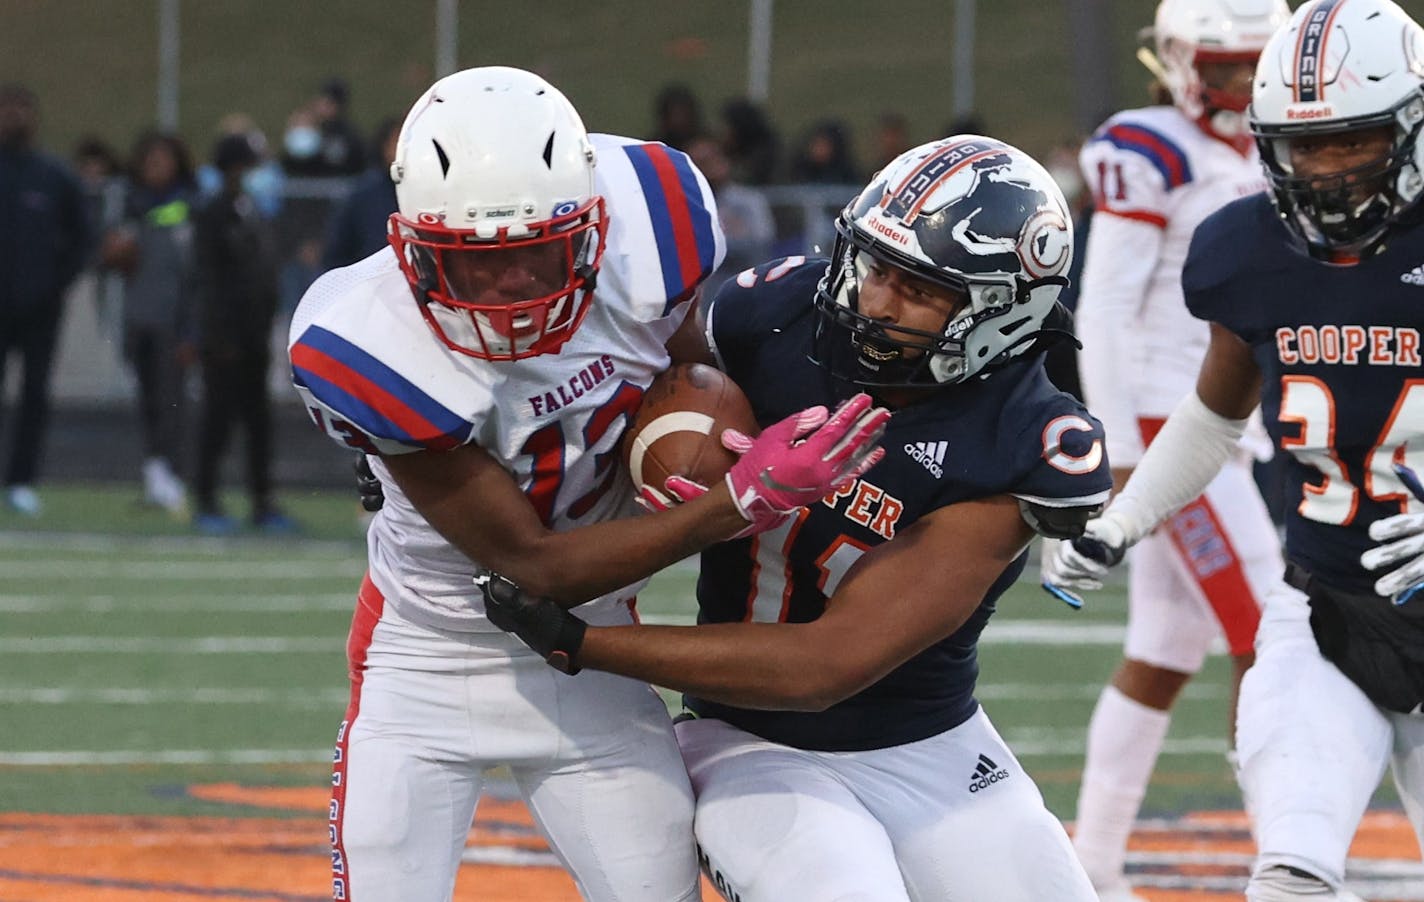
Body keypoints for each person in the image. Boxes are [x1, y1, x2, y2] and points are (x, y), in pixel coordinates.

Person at [286, 66, 886, 902]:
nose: (510, 289)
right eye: (473, 266)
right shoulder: (372, 345)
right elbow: (535, 565)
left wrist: (705, 443)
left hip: (591, 657)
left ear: (595, 225)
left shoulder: (656, 226)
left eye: (539, 255)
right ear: (413, 249)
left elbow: (692, 377)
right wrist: (735, 500)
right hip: (426, 656)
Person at [477, 135, 1114, 901]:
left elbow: (827, 667)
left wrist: (586, 643)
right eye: (875, 265)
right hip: (748, 739)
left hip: (935, 746)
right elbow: (602, 384)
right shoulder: (774, 318)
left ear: (1003, 310)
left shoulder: (1022, 438)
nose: (874, 300)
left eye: (919, 288)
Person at [1046, 1, 1424, 898]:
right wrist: (1125, 514)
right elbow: (1214, 415)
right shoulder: (1250, 250)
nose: (1327, 172)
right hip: (1327, 611)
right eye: (1307, 147)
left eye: (1354, 143)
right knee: (1289, 873)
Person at [1064, 1, 1290, 897]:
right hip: (1170, 428)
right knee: (1271, 639)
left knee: (1163, 650)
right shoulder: (1148, 147)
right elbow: (1106, 308)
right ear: (1178, 61)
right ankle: (1285, 854)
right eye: (1226, 65)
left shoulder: (1268, 151)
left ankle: (1091, 866)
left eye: (1255, 64)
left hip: (1225, 428)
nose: (1240, 85)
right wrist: (1120, 448)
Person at [191, 131, 291, 535]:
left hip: (253, 334)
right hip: (226, 339)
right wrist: (219, 335)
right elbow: (209, 280)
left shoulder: (251, 211)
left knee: (258, 422)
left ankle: (261, 501)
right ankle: (207, 499)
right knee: (218, 420)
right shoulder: (214, 214)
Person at [0, 83, 91, 517]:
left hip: (39, 307)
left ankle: (21, 481)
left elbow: (83, 237)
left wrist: (56, 283)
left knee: (34, 394)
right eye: (6, 109)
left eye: (21, 109)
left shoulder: (53, 177)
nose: (14, 117)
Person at [101, 130, 199, 515]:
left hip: (173, 319)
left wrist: (192, 327)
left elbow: (194, 273)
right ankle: (155, 472)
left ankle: (172, 474)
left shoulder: (189, 206)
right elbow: (109, 259)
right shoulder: (130, 206)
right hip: (139, 317)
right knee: (147, 399)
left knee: (171, 399)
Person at [684, 134, 776, 293]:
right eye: (700, 163)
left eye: (712, 159)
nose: (710, 168)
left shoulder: (749, 201)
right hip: (701, 292)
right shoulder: (686, 206)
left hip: (745, 286)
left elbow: (762, 245)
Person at [320, 116, 400, 271]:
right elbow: (337, 252)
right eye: (397, 142)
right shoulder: (362, 196)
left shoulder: (434, 195)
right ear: (384, 146)